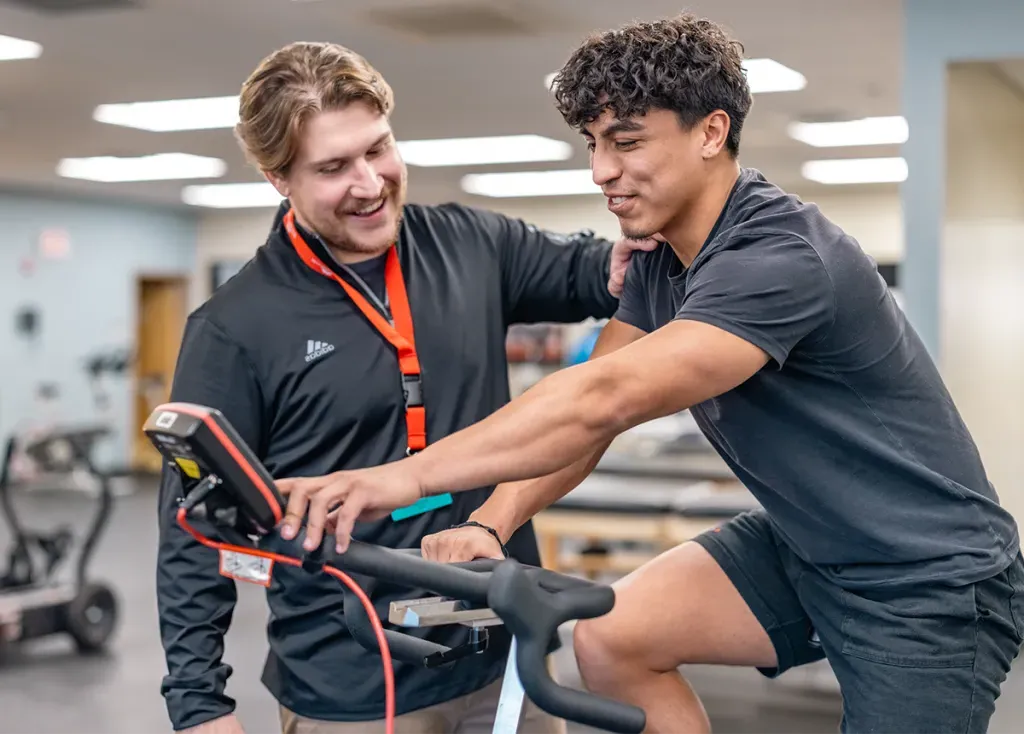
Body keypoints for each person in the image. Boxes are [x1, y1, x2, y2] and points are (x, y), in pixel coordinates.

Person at [278, 13, 1024, 734]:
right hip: (809, 546)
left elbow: (602, 398)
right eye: (595, 143)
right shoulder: (662, 261)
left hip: (929, 584)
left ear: (711, 131)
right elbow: (597, 410)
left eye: (628, 141)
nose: (604, 170)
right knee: (611, 634)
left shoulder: (781, 256)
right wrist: (489, 521)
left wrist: (403, 480)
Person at [156, 40, 651, 734]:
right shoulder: (234, 326)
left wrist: (645, 243)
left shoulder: (469, 243)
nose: (369, 182)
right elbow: (192, 527)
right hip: (354, 679)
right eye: (332, 168)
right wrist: (199, 704)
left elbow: (598, 273)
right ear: (278, 178)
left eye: (377, 149)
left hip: (505, 660)